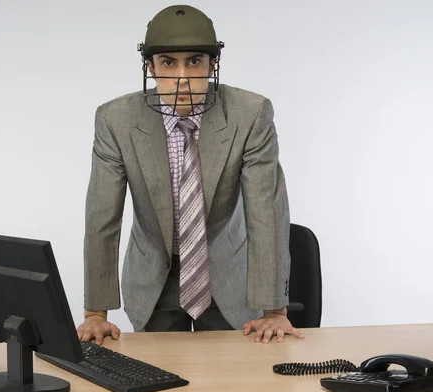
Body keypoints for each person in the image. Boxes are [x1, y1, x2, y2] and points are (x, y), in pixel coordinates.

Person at [77, 4, 304, 345]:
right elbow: (102, 217)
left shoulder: (251, 114)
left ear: (212, 64)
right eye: (168, 63)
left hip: (228, 275)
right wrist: (95, 314)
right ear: (150, 67)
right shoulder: (115, 120)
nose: (182, 78)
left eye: (194, 61)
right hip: (154, 274)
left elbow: (266, 212)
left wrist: (273, 310)